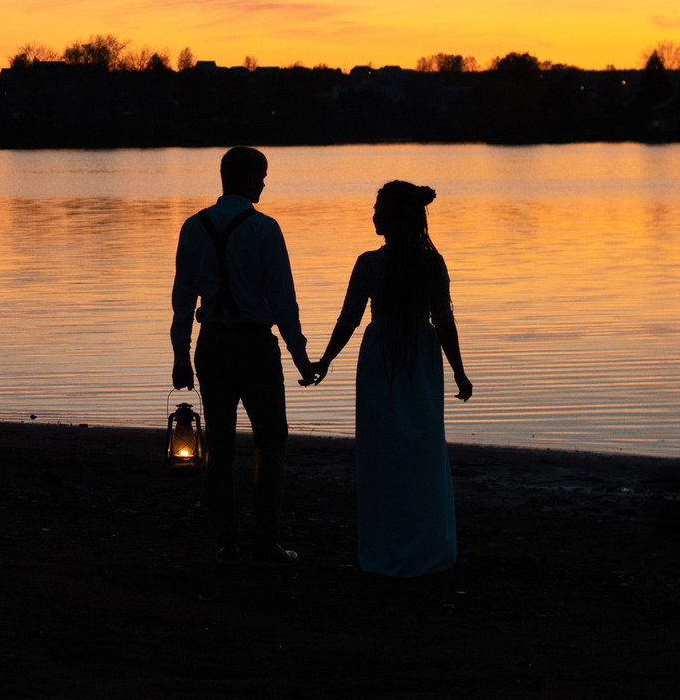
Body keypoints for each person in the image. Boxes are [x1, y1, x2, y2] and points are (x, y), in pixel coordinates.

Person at [310, 180, 472, 576]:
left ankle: (386, 548)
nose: (373, 216)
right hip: (420, 358)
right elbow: (444, 322)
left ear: (392, 217)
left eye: (378, 209)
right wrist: (458, 371)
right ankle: (426, 546)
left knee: (383, 454)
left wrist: (326, 359)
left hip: (380, 358)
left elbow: (349, 319)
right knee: (422, 451)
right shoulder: (431, 263)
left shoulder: (370, 264)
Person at [171, 146, 321, 563]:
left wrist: (180, 356)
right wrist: (300, 357)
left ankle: (226, 541)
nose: (264, 183)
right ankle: (266, 541)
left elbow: (182, 300)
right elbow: (283, 301)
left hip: (211, 346)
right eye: (261, 176)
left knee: (220, 446)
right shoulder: (265, 229)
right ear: (245, 178)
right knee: (271, 443)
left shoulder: (192, 226)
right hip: (255, 345)